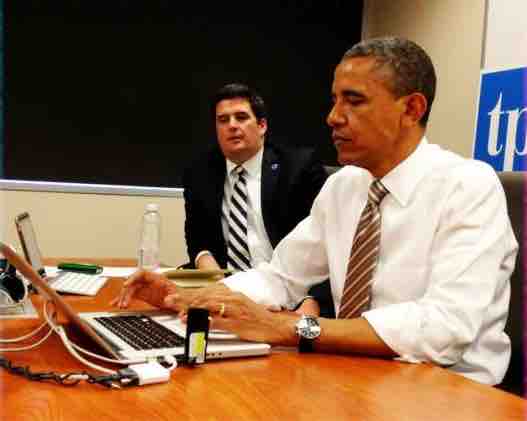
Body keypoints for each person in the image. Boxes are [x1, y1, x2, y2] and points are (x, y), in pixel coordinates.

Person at [115, 37, 518, 385]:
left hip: (448, 388)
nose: (332, 117)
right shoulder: (345, 186)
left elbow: (446, 328)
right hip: (350, 373)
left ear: (411, 109)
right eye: (334, 100)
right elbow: (279, 277)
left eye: (354, 101)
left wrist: (290, 327)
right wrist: (187, 296)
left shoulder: (469, 186)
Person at [181, 83, 333, 316]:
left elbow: (328, 248)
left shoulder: (298, 168)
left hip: (287, 297)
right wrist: (214, 278)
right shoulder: (200, 172)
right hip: (225, 294)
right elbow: (197, 237)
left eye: (241, 117)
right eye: (223, 120)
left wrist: (313, 302)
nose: (232, 125)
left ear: (262, 126)